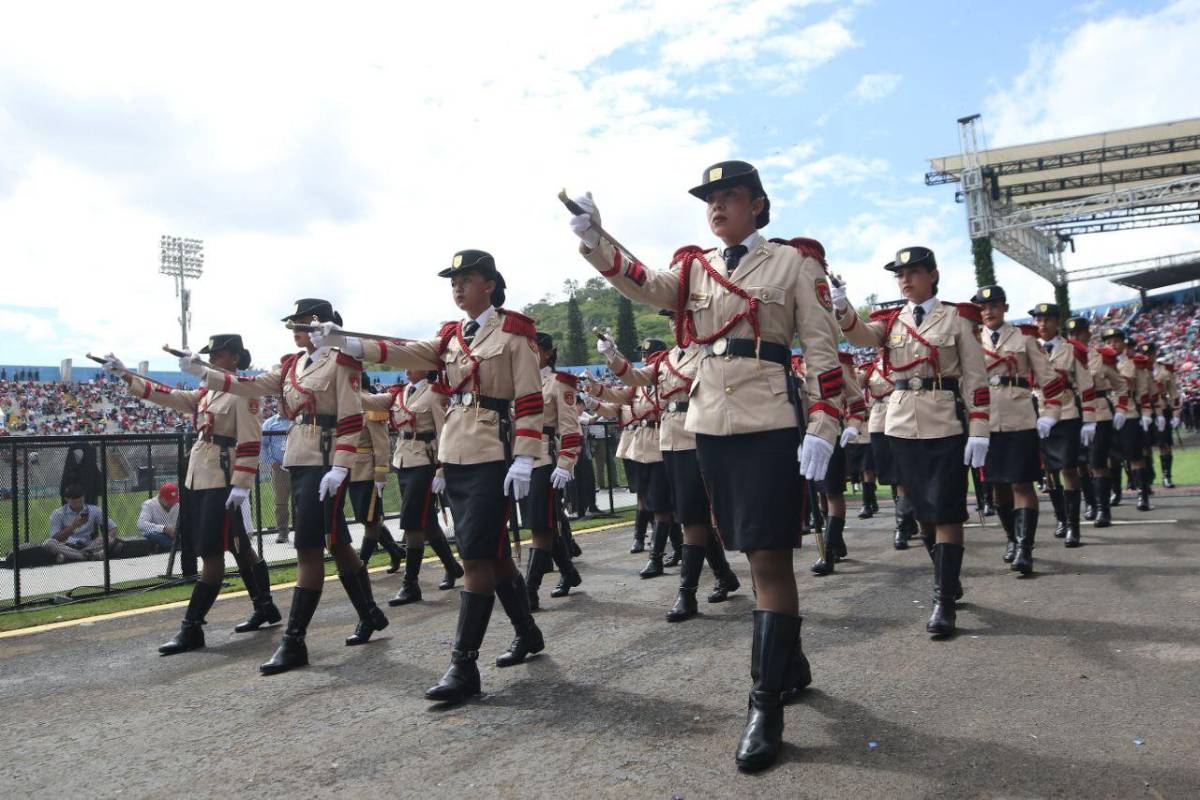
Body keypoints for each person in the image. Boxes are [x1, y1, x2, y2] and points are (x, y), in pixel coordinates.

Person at [568, 160, 842, 771]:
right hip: (711, 424)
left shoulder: (794, 263)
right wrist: (597, 237)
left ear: (758, 206)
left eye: (730, 197)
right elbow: (645, 284)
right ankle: (789, 662)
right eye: (710, 199)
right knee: (746, 548)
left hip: (771, 420)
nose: (717, 208)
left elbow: (822, 348)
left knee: (769, 555)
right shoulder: (695, 266)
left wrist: (824, 422)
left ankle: (764, 705)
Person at [324, 250, 547, 703]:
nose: (458, 287)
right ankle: (528, 632)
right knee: (491, 552)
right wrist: (348, 343)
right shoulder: (450, 337)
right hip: (457, 451)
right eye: (454, 281)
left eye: (466, 279)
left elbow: (528, 398)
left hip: (493, 451)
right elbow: (409, 351)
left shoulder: (515, 332)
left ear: (489, 283)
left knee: (477, 560)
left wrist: (525, 457)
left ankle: (463, 665)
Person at [180, 308, 388, 674]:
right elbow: (249, 386)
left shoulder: (343, 360)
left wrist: (341, 465)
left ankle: (295, 641)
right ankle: (369, 613)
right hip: (301, 458)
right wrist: (204, 373)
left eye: (303, 323)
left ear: (322, 325)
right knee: (336, 542)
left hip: (326, 459)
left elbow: (352, 416)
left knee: (308, 547)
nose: (295, 329)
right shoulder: (292, 366)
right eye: (294, 324)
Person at [833, 248, 990, 637]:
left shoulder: (956, 318)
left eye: (914, 272)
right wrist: (843, 307)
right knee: (920, 509)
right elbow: (862, 336)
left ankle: (943, 600)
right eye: (900, 274)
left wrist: (982, 428)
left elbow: (975, 375)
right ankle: (946, 575)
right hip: (902, 424)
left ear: (932, 275)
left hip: (945, 421)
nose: (906, 280)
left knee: (948, 511)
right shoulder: (892, 321)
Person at [106, 335, 283, 656]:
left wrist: (242, 483)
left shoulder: (245, 391)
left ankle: (192, 627)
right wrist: (126, 376)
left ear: (234, 358)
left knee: (212, 553)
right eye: (211, 353)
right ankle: (266, 606)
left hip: (222, 480)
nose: (213, 357)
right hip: (200, 477)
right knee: (238, 544)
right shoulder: (209, 390)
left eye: (219, 353)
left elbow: (250, 439)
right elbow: (171, 395)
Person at [596, 323, 740, 620]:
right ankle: (723, 575)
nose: (675, 322)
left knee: (693, 516)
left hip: (699, 434)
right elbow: (635, 378)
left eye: (679, 316)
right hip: (671, 441)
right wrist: (612, 354)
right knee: (690, 514)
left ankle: (687, 593)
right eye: (672, 318)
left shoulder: (707, 351)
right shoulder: (665, 360)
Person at [974, 286, 1061, 574]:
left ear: (1005, 307)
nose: (988, 310)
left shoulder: (1024, 339)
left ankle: (1025, 547)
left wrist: (1050, 413)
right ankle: (1012, 538)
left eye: (994, 305)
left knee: (1022, 483)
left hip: (1020, 417)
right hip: (987, 420)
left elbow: (1049, 380)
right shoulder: (973, 340)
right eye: (984, 306)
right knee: (998, 486)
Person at [586, 339, 682, 577]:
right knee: (654, 503)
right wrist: (594, 394)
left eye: (650, 355)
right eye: (644, 355)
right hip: (642, 449)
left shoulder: (665, 380)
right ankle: (678, 549)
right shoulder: (639, 386)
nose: (646, 359)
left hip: (662, 445)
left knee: (662, 507)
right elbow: (619, 398)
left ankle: (656, 558)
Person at [386, 370, 465, 606]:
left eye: (411, 363)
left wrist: (442, 468)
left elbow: (445, 432)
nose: (406, 368)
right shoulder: (402, 392)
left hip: (424, 461)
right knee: (426, 521)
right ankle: (452, 567)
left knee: (412, 522)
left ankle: (411, 585)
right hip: (403, 459)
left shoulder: (434, 393)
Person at [520, 332, 584, 610]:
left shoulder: (559, 383)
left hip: (546, 458)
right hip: (522, 459)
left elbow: (571, 427)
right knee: (543, 521)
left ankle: (529, 590)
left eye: (532, 349)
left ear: (547, 353)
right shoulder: (521, 382)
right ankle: (569, 573)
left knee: (539, 525)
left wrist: (566, 461)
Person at [1029, 304, 1097, 547]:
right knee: (1048, 471)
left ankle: (1073, 526)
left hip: (1066, 414)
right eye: (1038, 320)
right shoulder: (1031, 348)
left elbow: (1086, 385)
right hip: (1038, 414)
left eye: (1047, 319)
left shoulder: (1072, 350)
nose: (1042, 324)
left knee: (1068, 468)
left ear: (1057, 323)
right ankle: (1061, 519)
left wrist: (1089, 420)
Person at [810, 351, 866, 576]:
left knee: (832, 492)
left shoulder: (837, 363)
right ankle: (837, 541)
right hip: (809, 437)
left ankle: (830, 550)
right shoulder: (799, 364)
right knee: (820, 493)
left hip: (832, 432)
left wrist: (853, 425)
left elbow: (856, 400)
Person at [1069, 317, 1128, 528]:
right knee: (1080, 464)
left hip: (1099, 413)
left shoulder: (1101, 358)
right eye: (1072, 334)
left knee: (1098, 462)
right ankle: (1091, 504)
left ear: (1088, 334)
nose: (1075, 337)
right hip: (1073, 412)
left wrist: (1120, 409)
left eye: (1080, 333)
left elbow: (1121, 385)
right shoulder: (1061, 357)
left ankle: (1104, 510)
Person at [1101, 327, 1157, 511]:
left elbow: (1143, 392)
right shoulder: (1100, 363)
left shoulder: (1134, 364)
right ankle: (1116, 491)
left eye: (1116, 341)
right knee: (1111, 457)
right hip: (1107, 414)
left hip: (1129, 414)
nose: (1112, 345)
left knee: (1134, 455)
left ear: (1124, 343)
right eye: (1108, 342)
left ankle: (1142, 493)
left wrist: (1147, 414)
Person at [354, 382, 406, 574]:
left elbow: (381, 443)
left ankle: (362, 563)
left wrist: (381, 472)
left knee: (370, 520)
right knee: (367, 519)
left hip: (367, 471)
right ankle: (395, 551)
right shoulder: (349, 405)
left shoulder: (372, 406)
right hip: (352, 471)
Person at [42, 484, 119, 562]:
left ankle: (73, 557)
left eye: (80, 501)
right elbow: (55, 538)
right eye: (74, 503)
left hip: (89, 545)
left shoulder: (94, 510)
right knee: (48, 543)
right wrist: (73, 526)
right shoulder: (58, 514)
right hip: (66, 546)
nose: (78, 505)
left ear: (84, 497)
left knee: (109, 540)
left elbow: (112, 528)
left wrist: (107, 537)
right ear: (67, 499)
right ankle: (87, 556)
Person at [1147, 342, 1181, 488]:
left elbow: (1174, 394)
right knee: (1145, 445)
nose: (1148, 357)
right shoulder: (1137, 369)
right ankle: (1148, 476)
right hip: (1145, 410)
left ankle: (1166, 476)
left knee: (1164, 443)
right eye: (1145, 354)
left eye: (1150, 354)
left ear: (1155, 354)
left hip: (1162, 408)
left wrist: (1176, 414)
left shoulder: (1165, 371)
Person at [261, 410, 292, 543]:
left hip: (299, 466)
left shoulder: (299, 419)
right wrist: (271, 462)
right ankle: (283, 532)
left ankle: (304, 530)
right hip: (279, 467)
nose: (283, 402)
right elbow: (262, 445)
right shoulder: (269, 423)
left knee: (303, 500)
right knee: (281, 502)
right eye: (280, 399)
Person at [138, 483, 181, 552]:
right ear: (161, 497)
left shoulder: (177, 504)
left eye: (174, 500)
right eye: (169, 501)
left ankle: (176, 546)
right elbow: (141, 524)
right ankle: (176, 546)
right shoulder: (149, 505)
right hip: (159, 535)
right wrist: (164, 529)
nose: (172, 503)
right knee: (151, 535)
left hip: (175, 536)